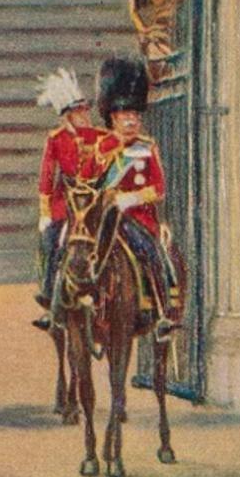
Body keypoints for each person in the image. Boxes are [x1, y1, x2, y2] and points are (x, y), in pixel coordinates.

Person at [96, 55, 180, 341]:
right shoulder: (101, 148)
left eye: (135, 114)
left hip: (138, 218)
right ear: (112, 116)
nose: (132, 120)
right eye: (124, 114)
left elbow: (158, 188)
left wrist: (130, 199)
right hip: (107, 217)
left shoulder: (147, 148)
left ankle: (161, 311)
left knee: (150, 251)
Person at [31, 68, 106, 331]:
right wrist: (46, 212)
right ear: (68, 116)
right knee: (52, 242)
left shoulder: (100, 137)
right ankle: (50, 297)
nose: (85, 114)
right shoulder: (56, 140)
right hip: (67, 206)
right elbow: (47, 177)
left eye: (85, 110)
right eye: (79, 111)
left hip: (96, 203)